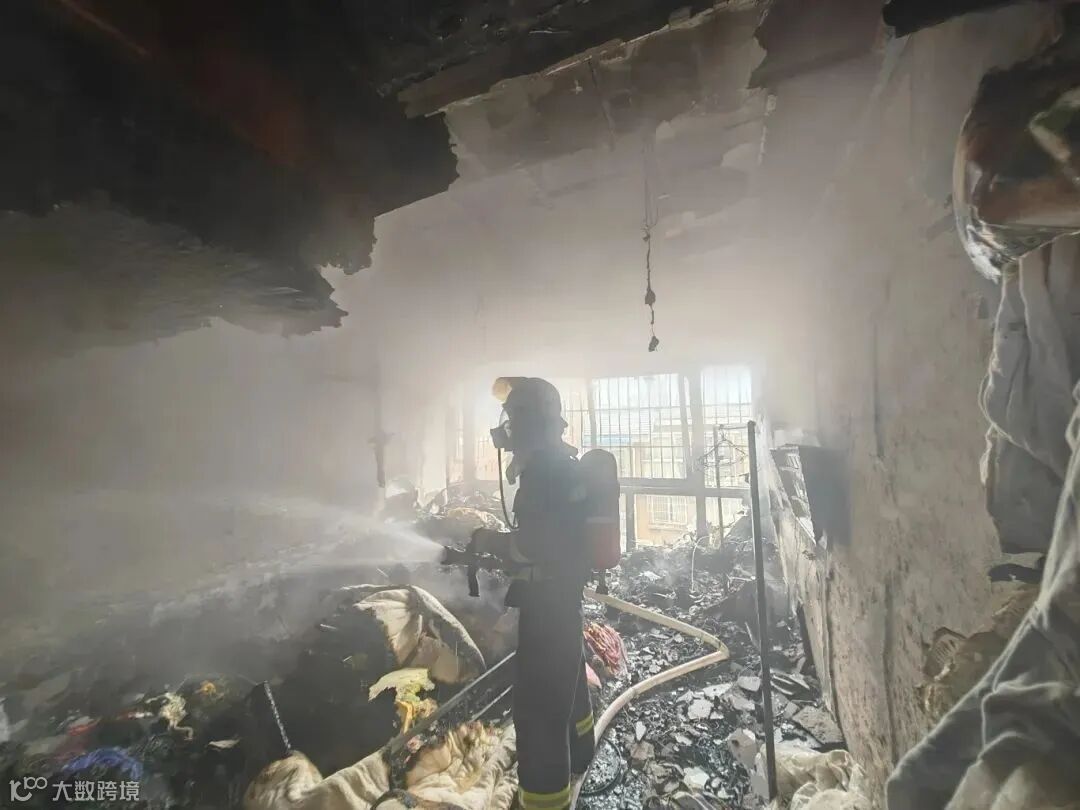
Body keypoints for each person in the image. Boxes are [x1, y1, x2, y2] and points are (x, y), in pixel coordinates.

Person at [471, 377, 595, 810]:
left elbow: (534, 545)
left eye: (513, 419)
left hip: (547, 604)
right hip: (562, 598)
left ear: (528, 423)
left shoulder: (544, 473)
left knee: (538, 710)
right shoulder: (558, 465)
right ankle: (582, 752)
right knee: (567, 680)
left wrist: (490, 541)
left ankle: (545, 801)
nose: (507, 430)